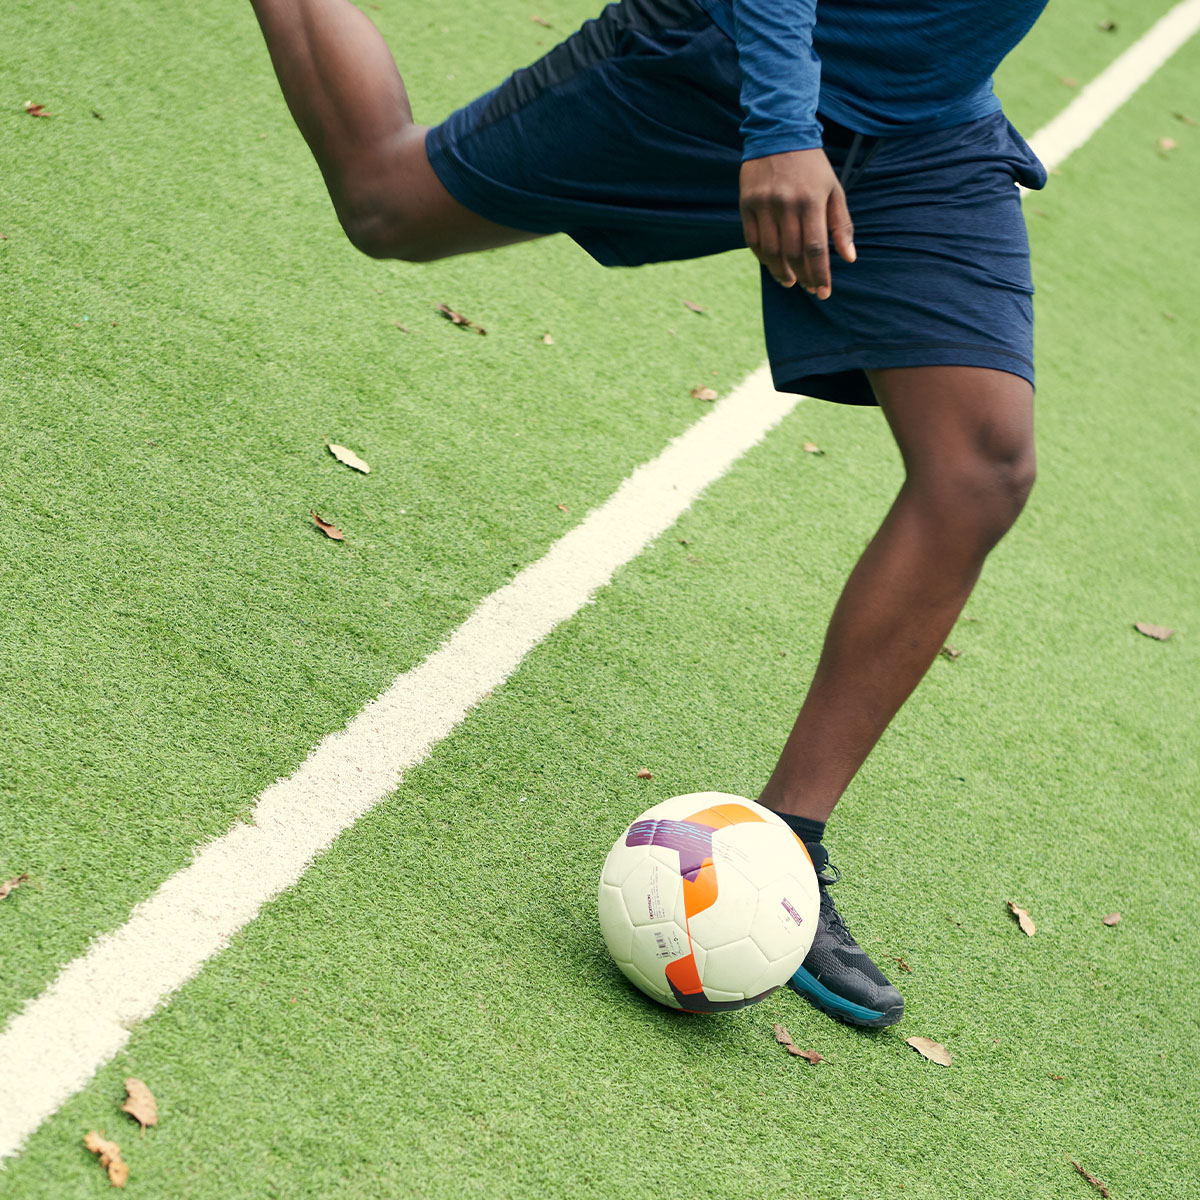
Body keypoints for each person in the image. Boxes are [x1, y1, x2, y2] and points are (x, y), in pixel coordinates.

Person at [249, 0, 1050, 1028]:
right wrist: (781, 128)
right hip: (724, 64)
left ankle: (788, 835)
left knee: (982, 467)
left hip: (925, 128)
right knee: (386, 204)